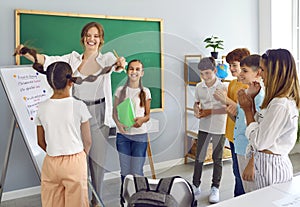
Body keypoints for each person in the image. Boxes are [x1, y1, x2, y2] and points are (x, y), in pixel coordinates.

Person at [14, 21, 126, 207]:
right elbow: (47, 60)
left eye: (96, 36)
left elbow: (119, 65)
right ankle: (79, 197)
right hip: (76, 114)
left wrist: (121, 63)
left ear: (101, 40)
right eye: (88, 35)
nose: (92, 39)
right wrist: (26, 52)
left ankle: (95, 200)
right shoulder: (72, 59)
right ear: (83, 38)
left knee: (97, 162)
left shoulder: (106, 59)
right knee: (77, 161)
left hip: (98, 114)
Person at [238, 48, 300, 189]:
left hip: (271, 167)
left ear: (275, 73)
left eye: (263, 70)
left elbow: (260, 142)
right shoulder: (275, 100)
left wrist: (247, 109)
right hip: (266, 164)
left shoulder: (280, 104)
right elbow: (260, 127)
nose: (260, 74)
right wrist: (251, 102)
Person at [35, 61, 92, 207]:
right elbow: (88, 141)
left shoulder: (41, 108)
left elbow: (40, 141)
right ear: (70, 81)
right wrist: (80, 157)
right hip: (75, 162)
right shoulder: (79, 106)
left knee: (51, 203)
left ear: (50, 82)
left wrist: (55, 151)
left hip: (51, 162)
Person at [112, 59, 151, 203]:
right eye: (131, 69)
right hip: (122, 136)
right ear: (127, 71)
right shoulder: (120, 91)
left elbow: (148, 115)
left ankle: (138, 198)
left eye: (137, 69)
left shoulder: (145, 92)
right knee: (125, 170)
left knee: (137, 171)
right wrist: (119, 125)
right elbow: (114, 112)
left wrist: (141, 120)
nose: (134, 72)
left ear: (142, 73)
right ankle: (125, 197)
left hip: (140, 136)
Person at [213, 48, 250, 197]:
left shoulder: (248, 87)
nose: (232, 69)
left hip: (243, 136)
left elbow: (243, 113)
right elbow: (230, 109)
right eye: (230, 65)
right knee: (236, 172)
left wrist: (226, 100)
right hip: (232, 134)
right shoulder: (233, 84)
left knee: (243, 175)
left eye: (234, 65)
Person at [192, 57, 227, 204]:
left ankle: (215, 187)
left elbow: (227, 108)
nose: (205, 77)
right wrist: (196, 110)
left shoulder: (223, 87)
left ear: (214, 71)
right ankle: (195, 185)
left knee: (217, 158)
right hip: (204, 127)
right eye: (202, 74)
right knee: (199, 157)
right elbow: (196, 103)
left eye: (207, 73)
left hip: (219, 127)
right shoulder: (199, 87)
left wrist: (209, 112)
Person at [227, 54, 264, 193]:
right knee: (239, 182)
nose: (240, 74)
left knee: (250, 191)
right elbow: (240, 122)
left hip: (249, 152)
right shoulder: (246, 92)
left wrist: (253, 162)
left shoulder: (260, 97)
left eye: (245, 71)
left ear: (258, 73)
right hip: (240, 146)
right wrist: (231, 112)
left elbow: (261, 134)